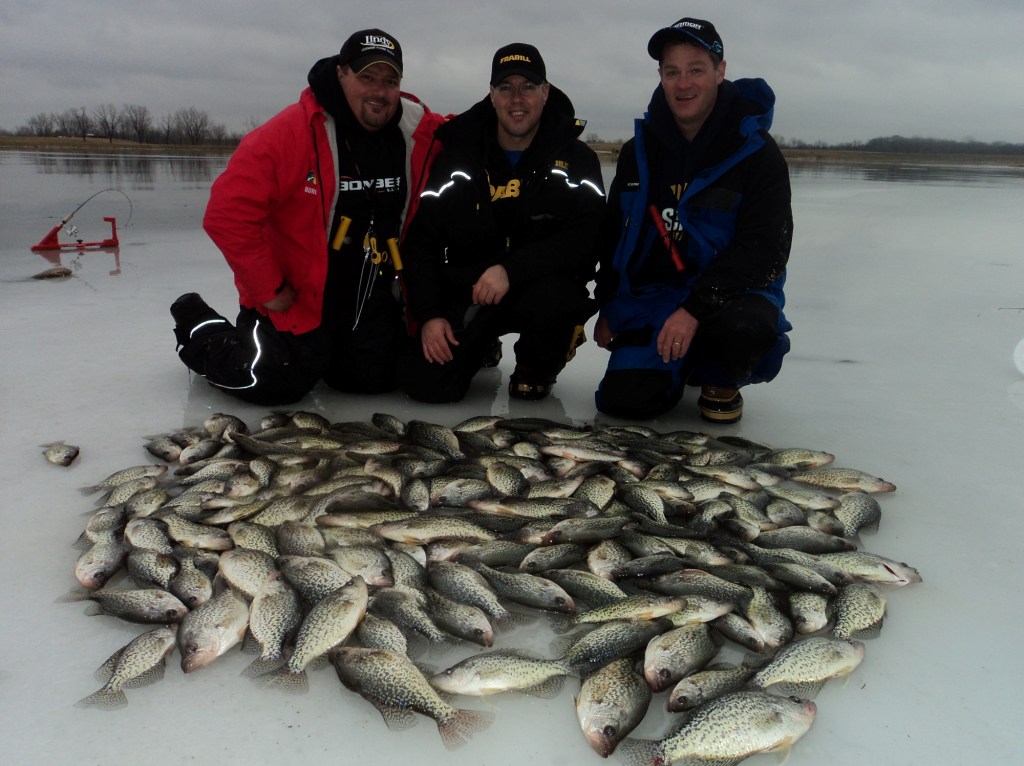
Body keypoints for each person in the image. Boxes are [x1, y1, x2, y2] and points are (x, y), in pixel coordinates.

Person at [169, 29, 446, 405]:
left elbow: (490, 129)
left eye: (390, 81)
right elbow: (226, 214)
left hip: (371, 297)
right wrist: (270, 289)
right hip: (298, 297)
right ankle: (197, 322)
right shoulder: (291, 131)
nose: (379, 92)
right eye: (366, 77)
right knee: (268, 382)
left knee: (370, 382)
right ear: (341, 73)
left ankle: (336, 352)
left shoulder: (418, 129)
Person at [594, 17, 793, 424]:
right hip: (657, 299)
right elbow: (615, 232)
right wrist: (609, 302)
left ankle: (718, 377)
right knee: (623, 401)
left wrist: (694, 310)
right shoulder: (639, 151)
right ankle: (669, 363)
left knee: (747, 329)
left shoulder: (758, 154)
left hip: (729, 299)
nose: (683, 83)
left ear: (720, 72)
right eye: (672, 72)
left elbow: (765, 251)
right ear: (661, 77)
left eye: (696, 70)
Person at [398, 43, 606, 403]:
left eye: (528, 87)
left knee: (555, 303)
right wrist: (430, 315)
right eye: (505, 87)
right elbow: (422, 241)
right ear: (491, 95)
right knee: (429, 387)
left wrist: (511, 269)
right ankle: (480, 343)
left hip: (540, 292)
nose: (517, 99)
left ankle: (537, 366)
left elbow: (588, 239)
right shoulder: (457, 155)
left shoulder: (577, 159)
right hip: (472, 289)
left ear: (545, 93)